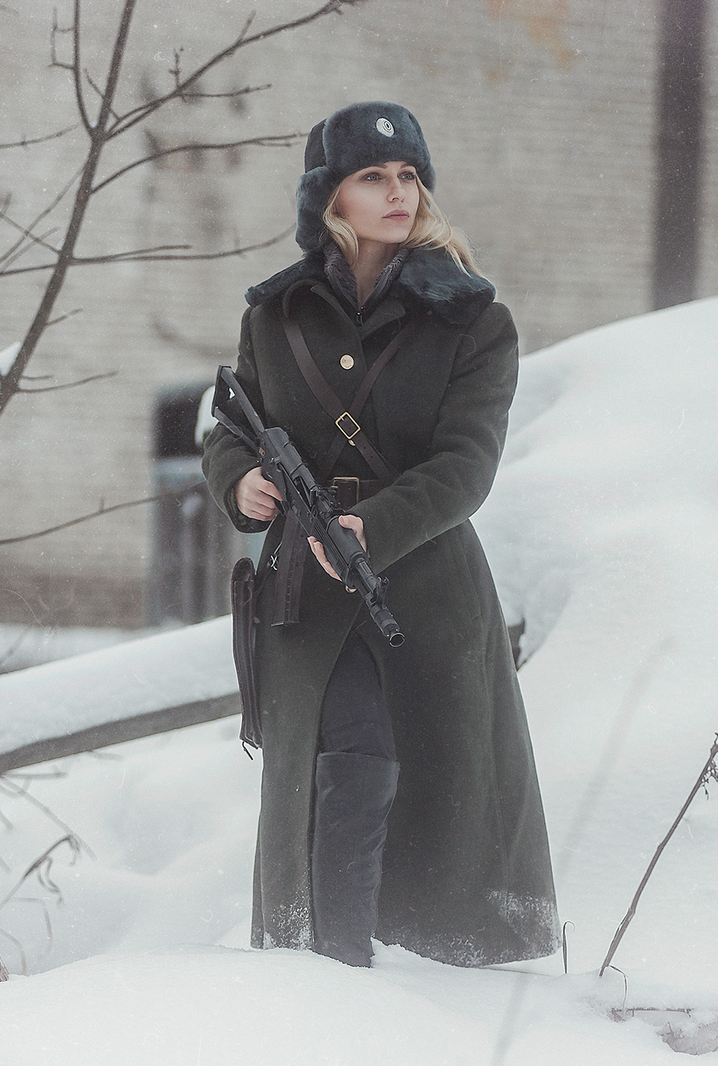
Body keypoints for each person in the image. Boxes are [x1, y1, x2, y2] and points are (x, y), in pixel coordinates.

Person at [202, 101, 559, 968]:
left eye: (408, 177)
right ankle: (334, 969)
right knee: (345, 765)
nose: (397, 192)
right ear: (332, 198)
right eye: (373, 176)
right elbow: (231, 429)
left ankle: (415, 980)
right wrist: (237, 480)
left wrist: (374, 524)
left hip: (427, 590)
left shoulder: (473, 322)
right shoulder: (275, 316)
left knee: (434, 793)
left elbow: (466, 466)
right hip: (305, 594)